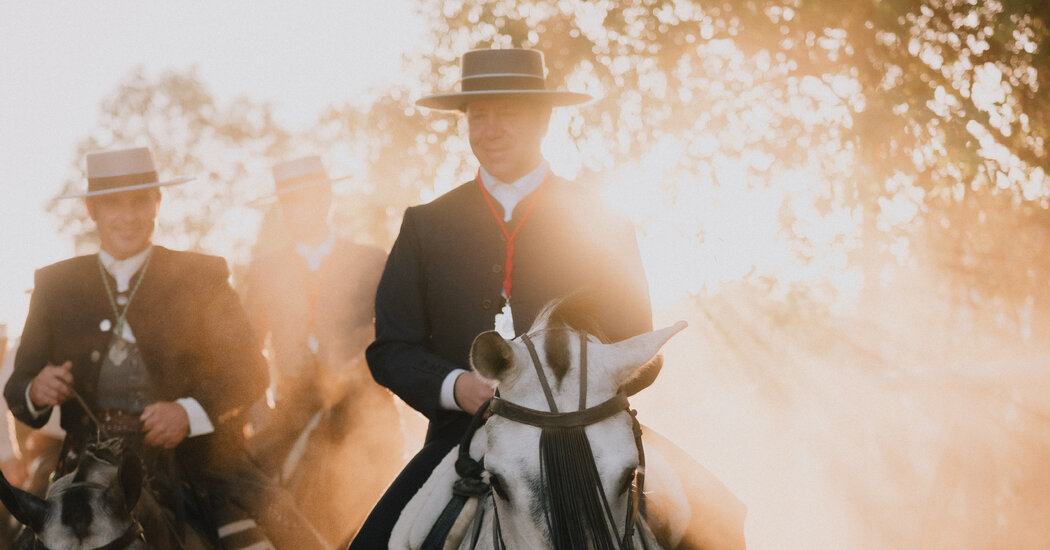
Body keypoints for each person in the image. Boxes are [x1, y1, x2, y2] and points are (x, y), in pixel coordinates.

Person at [349, 47, 654, 548]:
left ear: (542, 120)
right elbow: (391, 350)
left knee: (719, 520)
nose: (490, 130)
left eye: (507, 114)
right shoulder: (425, 225)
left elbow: (633, 339)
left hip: (591, 436)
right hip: (462, 438)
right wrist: (455, 386)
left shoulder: (603, 218)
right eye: (478, 116)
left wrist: (569, 397)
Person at [4, 146, 327, 549]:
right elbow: (18, 386)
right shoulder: (55, 285)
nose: (128, 215)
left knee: (284, 529)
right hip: (81, 466)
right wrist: (36, 390)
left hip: (201, 464)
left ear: (158, 201)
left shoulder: (201, 276)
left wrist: (188, 413)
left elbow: (249, 370)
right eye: (112, 203)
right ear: (91, 209)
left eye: (141, 200)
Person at [242, 156, 404, 544]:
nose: (300, 207)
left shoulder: (370, 259)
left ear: (327, 197)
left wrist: (362, 362)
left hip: (364, 410)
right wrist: (258, 411)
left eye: (308, 197)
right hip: (289, 413)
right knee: (246, 503)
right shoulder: (264, 269)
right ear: (281, 206)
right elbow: (248, 348)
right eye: (290, 200)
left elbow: (394, 335)